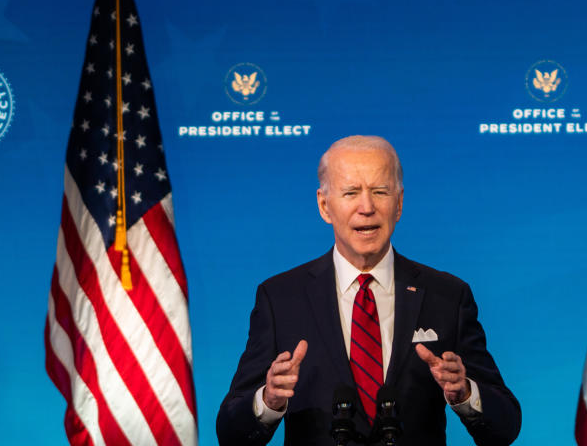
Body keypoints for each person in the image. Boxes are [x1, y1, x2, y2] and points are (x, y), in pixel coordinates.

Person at [216, 136, 521, 446]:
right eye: (351, 193)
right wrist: (268, 400)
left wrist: (465, 393)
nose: (367, 207)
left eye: (380, 192)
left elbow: (504, 426)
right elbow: (231, 433)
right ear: (325, 206)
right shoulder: (280, 299)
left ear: (399, 203)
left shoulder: (447, 296)